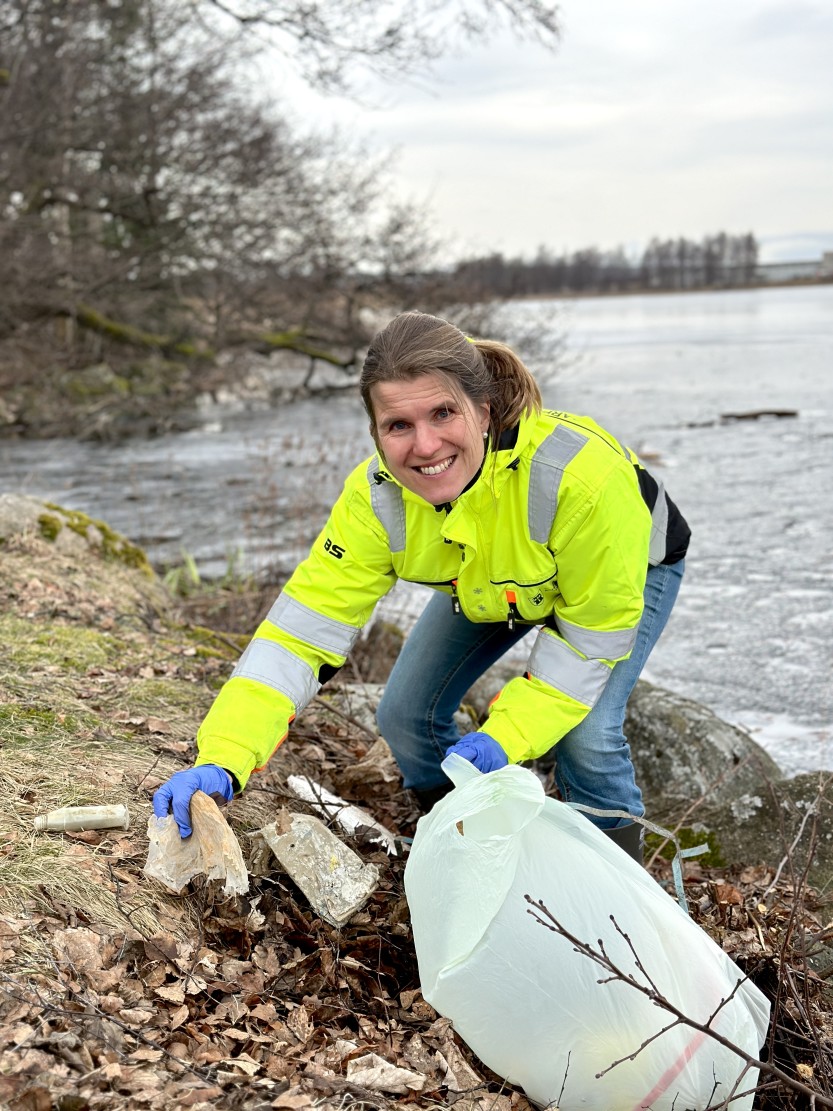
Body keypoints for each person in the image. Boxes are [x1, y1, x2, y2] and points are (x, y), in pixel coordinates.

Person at [153, 311, 690, 862]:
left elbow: (587, 641)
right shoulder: (376, 502)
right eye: (399, 426)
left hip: (625, 569)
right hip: (491, 579)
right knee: (404, 716)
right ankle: (463, 837)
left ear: (483, 411)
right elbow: (297, 637)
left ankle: (615, 882)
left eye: (442, 413)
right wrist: (222, 756)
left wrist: (504, 737)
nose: (426, 445)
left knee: (587, 737)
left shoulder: (580, 479)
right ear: (376, 433)